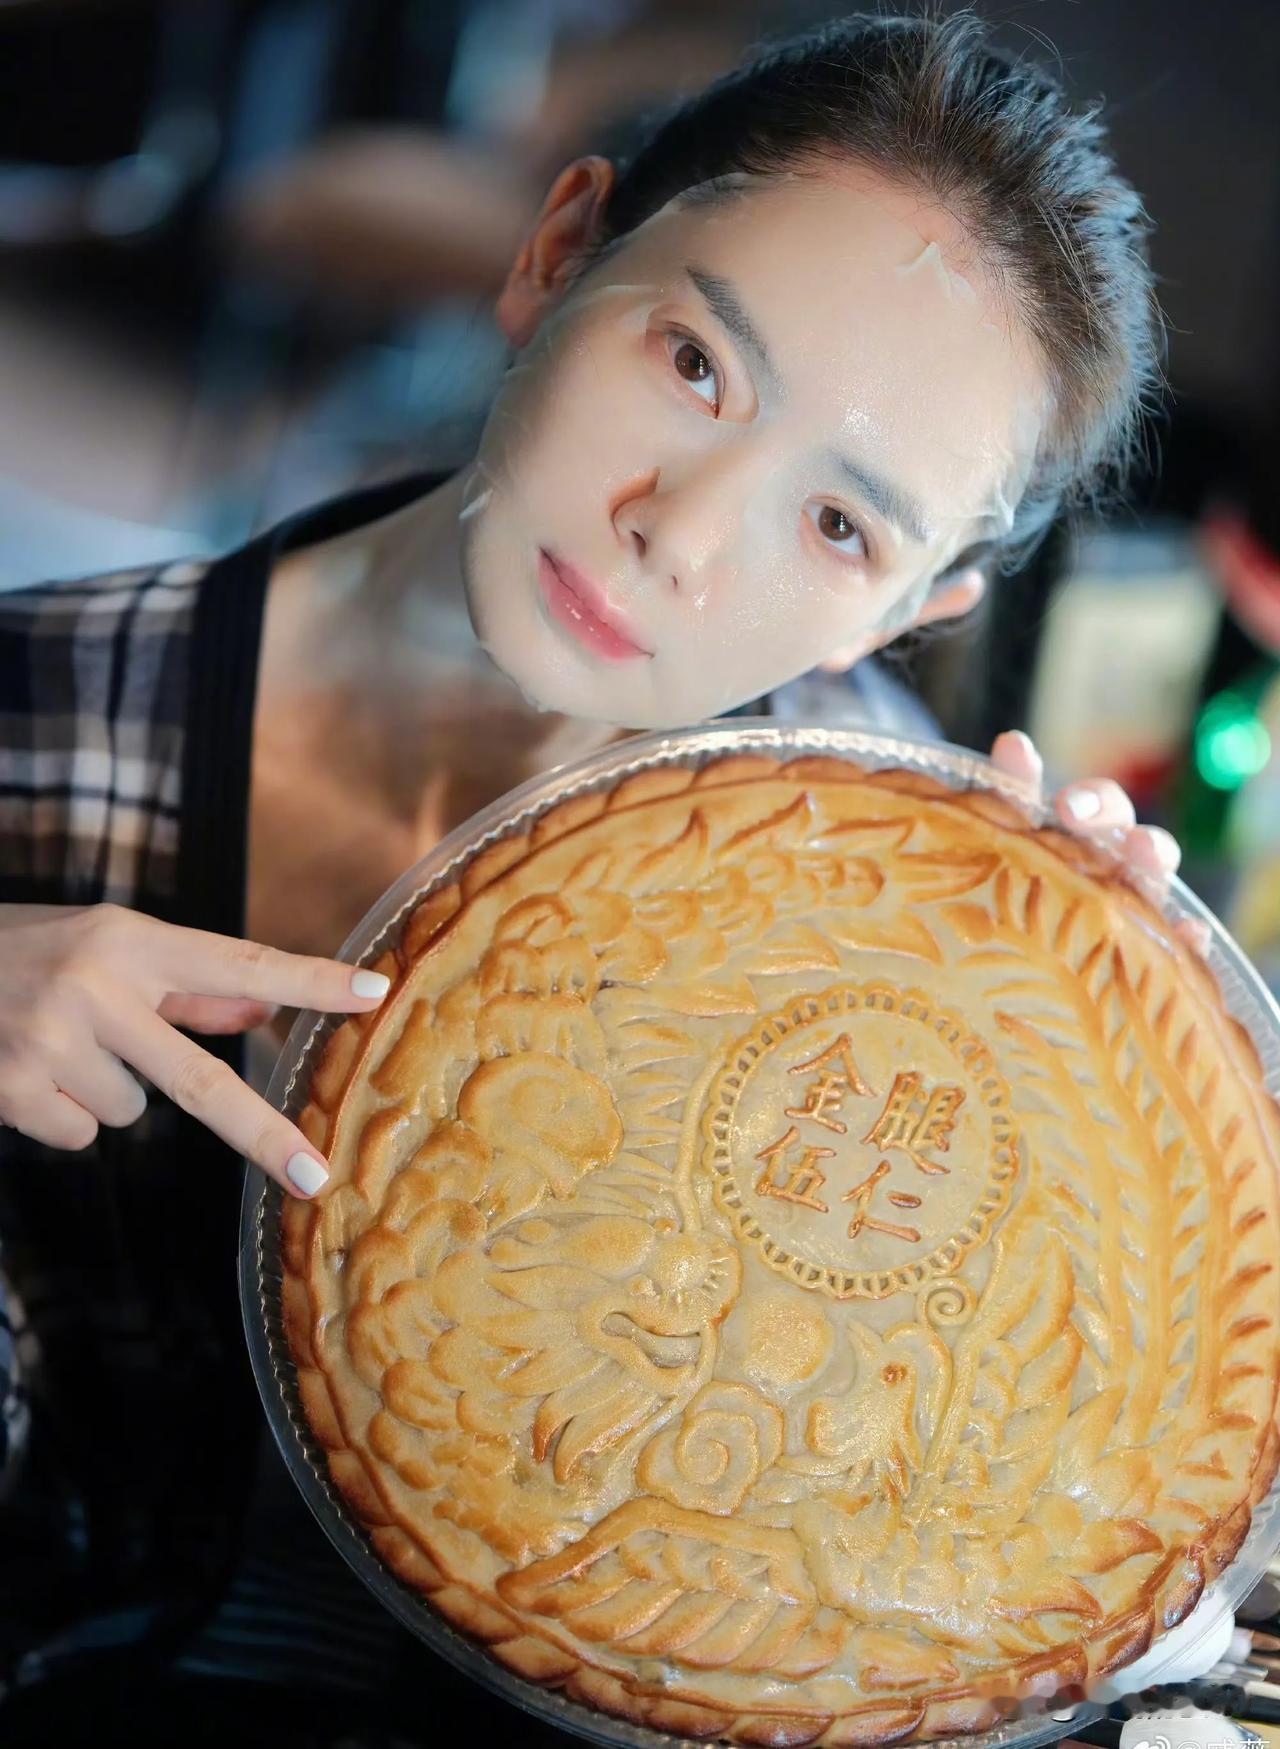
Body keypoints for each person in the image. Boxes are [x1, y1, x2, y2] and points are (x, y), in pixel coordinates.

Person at [0, 10, 1178, 1742]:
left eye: (841, 524)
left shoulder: (901, 923)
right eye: (698, 364)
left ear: (919, 608)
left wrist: (1096, 1139)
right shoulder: (35, 713)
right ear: (556, 256)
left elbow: (940, 1555)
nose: (683, 529)